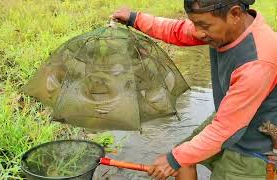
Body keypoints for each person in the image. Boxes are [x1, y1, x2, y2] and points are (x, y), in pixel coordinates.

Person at [112, 0, 277, 179]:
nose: (198, 32)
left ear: (235, 14)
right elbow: (178, 30)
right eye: (195, 23)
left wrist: (173, 159)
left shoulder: (258, 62)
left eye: (204, 25)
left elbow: (224, 130)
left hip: (253, 147)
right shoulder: (224, 28)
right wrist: (134, 19)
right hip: (231, 117)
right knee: (184, 161)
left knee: (178, 159)